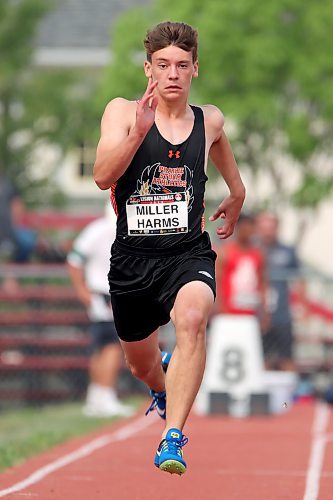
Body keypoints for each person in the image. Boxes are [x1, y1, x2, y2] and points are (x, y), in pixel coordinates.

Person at [93, 21, 245, 475]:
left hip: (187, 254)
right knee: (140, 366)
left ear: (195, 69)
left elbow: (224, 159)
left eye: (182, 65)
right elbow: (102, 177)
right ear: (148, 69)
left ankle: (172, 436)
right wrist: (137, 134)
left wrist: (236, 194)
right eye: (163, 65)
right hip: (132, 263)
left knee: (194, 318)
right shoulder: (122, 112)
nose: (173, 74)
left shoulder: (209, 119)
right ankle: (160, 385)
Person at [67, 204, 134, 418]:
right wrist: (82, 290)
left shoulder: (113, 230)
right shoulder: (100, 230)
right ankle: (104, 394)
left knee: (104, 347)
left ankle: (96, 395)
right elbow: (74, 259)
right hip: (102, 294)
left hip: (109, 294)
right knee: (112, 346)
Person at [255, 211, 305, 371]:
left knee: (286, 358)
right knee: (261, 359)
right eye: (265, 227)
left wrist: (303, 306)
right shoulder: (253, 250)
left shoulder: (287, 251)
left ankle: (291, 395)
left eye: (271, 227)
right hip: (258, 314)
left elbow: (299, 279)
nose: (268, 231)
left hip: (282, 315)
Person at [215, 213, 268, 329]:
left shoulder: (258, 254)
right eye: (245, 228)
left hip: (250, 313)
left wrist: (264, 311)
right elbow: (218, 281)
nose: (248, 232)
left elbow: (262, 282)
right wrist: (219, 307)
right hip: (228, 314)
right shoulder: (225, 252)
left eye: (251, 228)